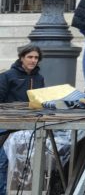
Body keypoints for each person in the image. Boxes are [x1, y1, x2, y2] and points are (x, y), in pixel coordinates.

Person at [0, 45, 45, 195]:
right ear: (21, 58)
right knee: (3, 162)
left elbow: (41, 102)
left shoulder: (39, 78)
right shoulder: (7, 76)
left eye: (36, 58)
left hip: (30, 127)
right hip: (7, 126)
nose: (33, 60)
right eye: (30, 57)